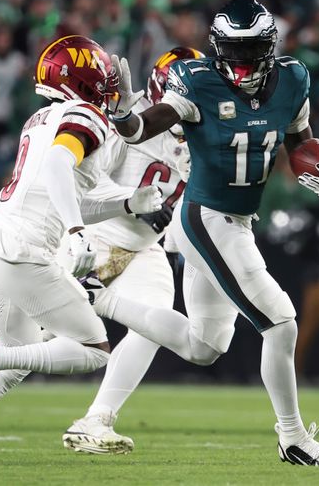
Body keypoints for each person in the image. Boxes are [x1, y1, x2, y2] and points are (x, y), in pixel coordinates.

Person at [85, 0, 319, 466]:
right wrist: (125, 115)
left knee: (204, 347)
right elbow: (143, 128)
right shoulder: (198, 81)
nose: (241, 62)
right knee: (282, 323)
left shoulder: (293, 79)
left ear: (269, 47)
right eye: (232, 49)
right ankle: (292, 438)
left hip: (238, 220)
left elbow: (298, 140)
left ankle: (102, 299)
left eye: (249, 50)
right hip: (206, 217)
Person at [0, 35, 163, 465]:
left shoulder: (41, 118)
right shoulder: (87, 116)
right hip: (25, 251)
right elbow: (59, 168)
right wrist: (78, 231)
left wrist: (127, 203)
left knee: (20, 361)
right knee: (92, 350)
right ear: (85, 79)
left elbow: (65, 187)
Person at [62, 46, 202, 455]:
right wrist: (134, 200)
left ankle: (96, 419)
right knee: (36, 343)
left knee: (155, 324)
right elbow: (84, 184)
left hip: (145, 249)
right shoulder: (131, 116)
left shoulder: (204, 129)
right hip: (94, 238)